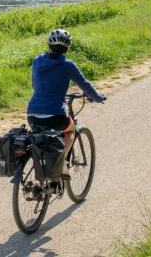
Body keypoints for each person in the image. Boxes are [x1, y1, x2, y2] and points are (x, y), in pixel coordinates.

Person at [26, 29, 106, 179]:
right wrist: (97, 97)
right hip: (55, 115)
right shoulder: (67, 65)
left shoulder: (37, 62)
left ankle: (43, 174)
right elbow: (85, 85)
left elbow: (35, 85)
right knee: (70, 130)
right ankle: (60, 164)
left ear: (49, 45)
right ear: (67, 48)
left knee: (42, 138)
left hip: (32, 114)